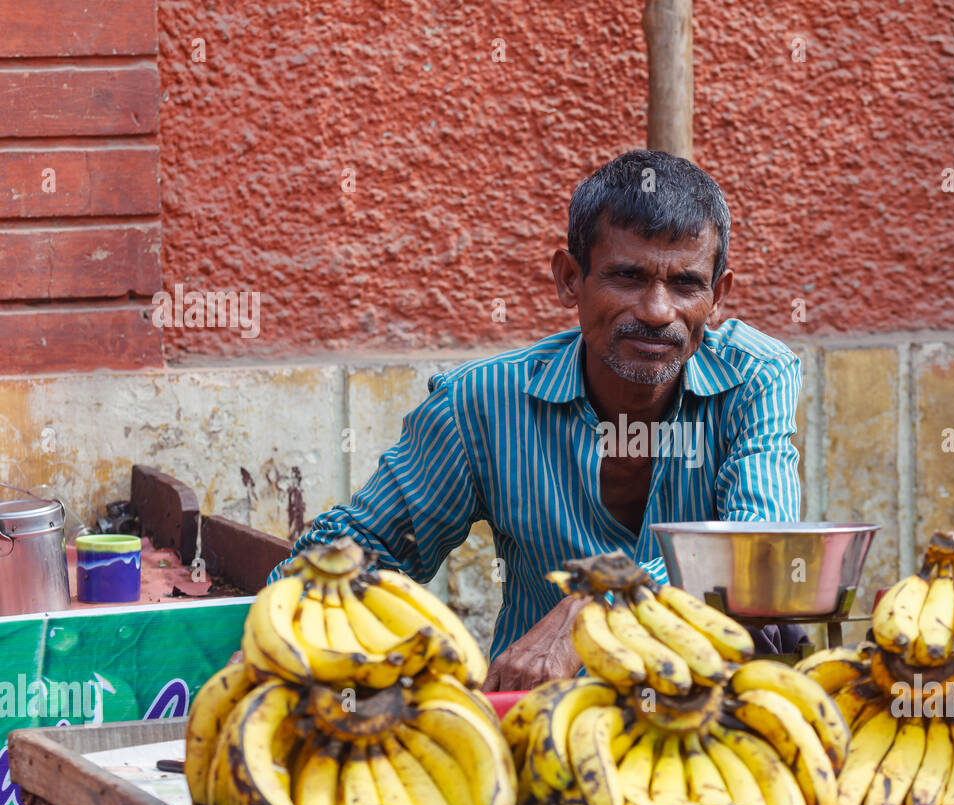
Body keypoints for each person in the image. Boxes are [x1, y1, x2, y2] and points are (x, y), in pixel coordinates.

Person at [274, 149, 806, 690]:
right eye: (628, 277)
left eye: (686, 285)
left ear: (718, 297)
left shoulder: (754, 379)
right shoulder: (481, 403)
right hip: (536, 716)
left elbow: (761, 551)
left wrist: (599, 607)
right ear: (569, 279)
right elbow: (368, 550)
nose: (657, 311)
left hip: (720, 723)